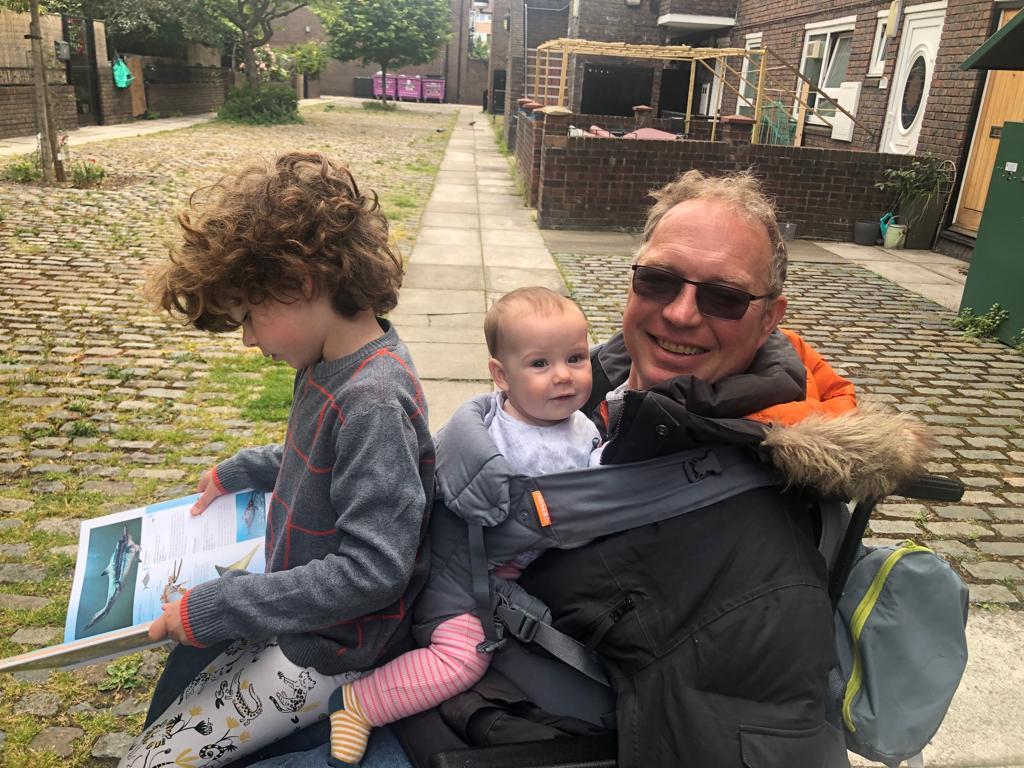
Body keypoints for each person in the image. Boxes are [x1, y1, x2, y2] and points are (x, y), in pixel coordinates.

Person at [388, 169, 931, 768]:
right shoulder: (594, 381)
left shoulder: (755, 535)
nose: (679, 312)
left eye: (723, 296)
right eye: (658, 279)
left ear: (770, 318)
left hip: (482, 720)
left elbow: (762, 732)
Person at [127, 151, 434, 768]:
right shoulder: (330, 364)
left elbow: (374, 570)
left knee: (152, 763)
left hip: (330, 649)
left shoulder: (372, 399)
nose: (246, 338)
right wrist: (243, 469)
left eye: (247, 316)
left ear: (298, 282)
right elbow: (315, 454)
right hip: (298, 614)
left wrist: (229, 606)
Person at [325, 287, 601, 766]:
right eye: (540, 364)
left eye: (576, 358)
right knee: (464, 656)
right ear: (501, 376)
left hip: (511, 568)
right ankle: (358, 704)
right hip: (459, 572)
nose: (563, 376)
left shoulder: (581, 426)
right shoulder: (499, 440)